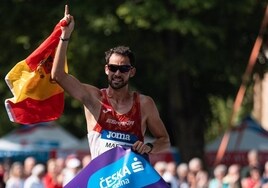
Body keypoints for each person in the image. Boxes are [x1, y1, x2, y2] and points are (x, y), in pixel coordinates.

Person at [51, 5, 170, 160]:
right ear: (107, 69)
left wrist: (149, 147)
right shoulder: (94, 98)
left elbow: (165, 140)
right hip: (102, 181)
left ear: (132, 72)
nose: (118, 73)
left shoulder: (144, 103)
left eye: (124, 68)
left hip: (132, 182)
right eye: (113, 68)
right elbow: (58, 75)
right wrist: (65, 35)